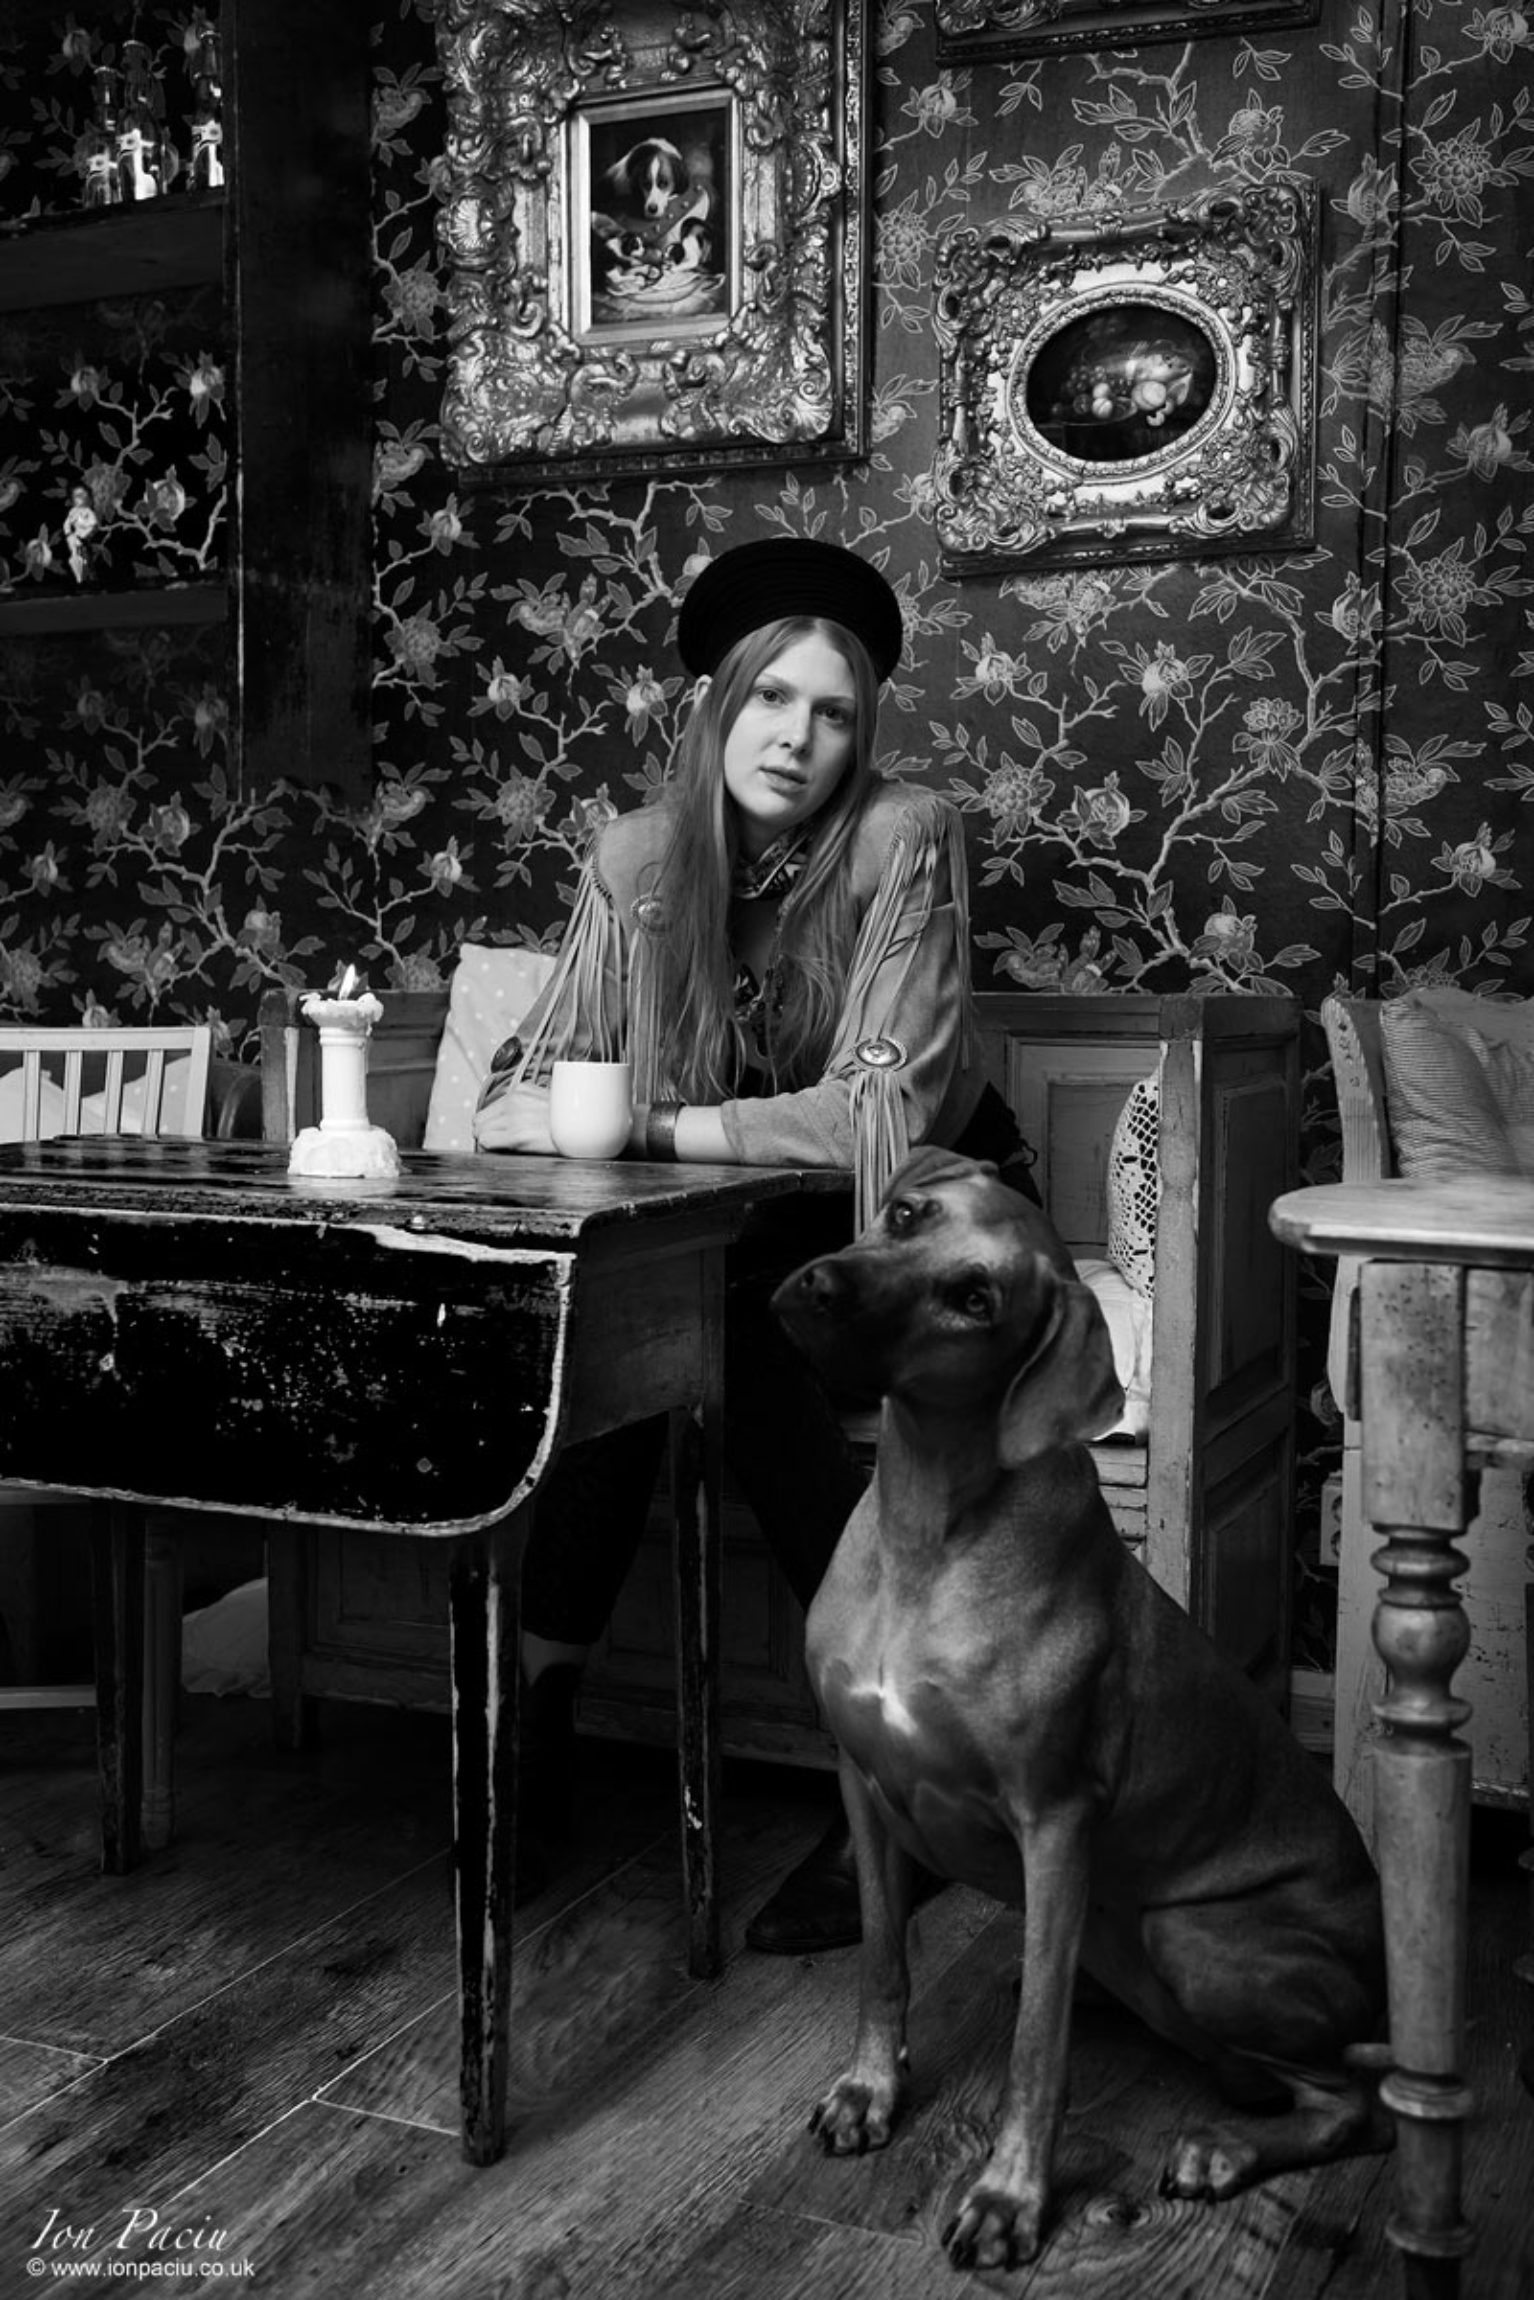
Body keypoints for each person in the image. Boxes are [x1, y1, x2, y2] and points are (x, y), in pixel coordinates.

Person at [473, 536, 1037, 1952]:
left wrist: (652, 1132)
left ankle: (874, 1795)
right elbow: (518, 1084)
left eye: (833, 711)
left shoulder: (904, 838)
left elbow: (878, 1112)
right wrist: (570, 1116)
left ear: (865, 734)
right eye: (769, 700)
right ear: (712, 710)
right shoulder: (636, 861)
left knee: (704, 1299)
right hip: (728, 1216)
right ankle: (540, 1739)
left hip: (913, 1201)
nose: (798, 738)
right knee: (650, 1298)